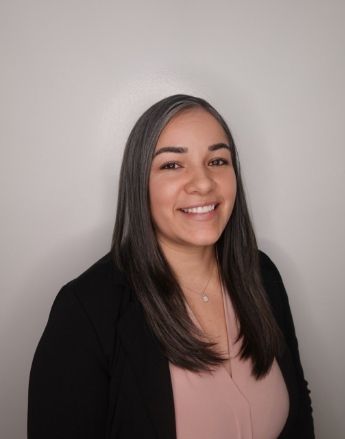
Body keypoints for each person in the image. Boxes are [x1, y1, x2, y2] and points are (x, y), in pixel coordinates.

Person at [27, 94, 315, 439]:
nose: (204, 182)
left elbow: (299, 414)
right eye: (172, 165)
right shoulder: (86, 311)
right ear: (140, 184)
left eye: (218, 161)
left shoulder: (262, 275)